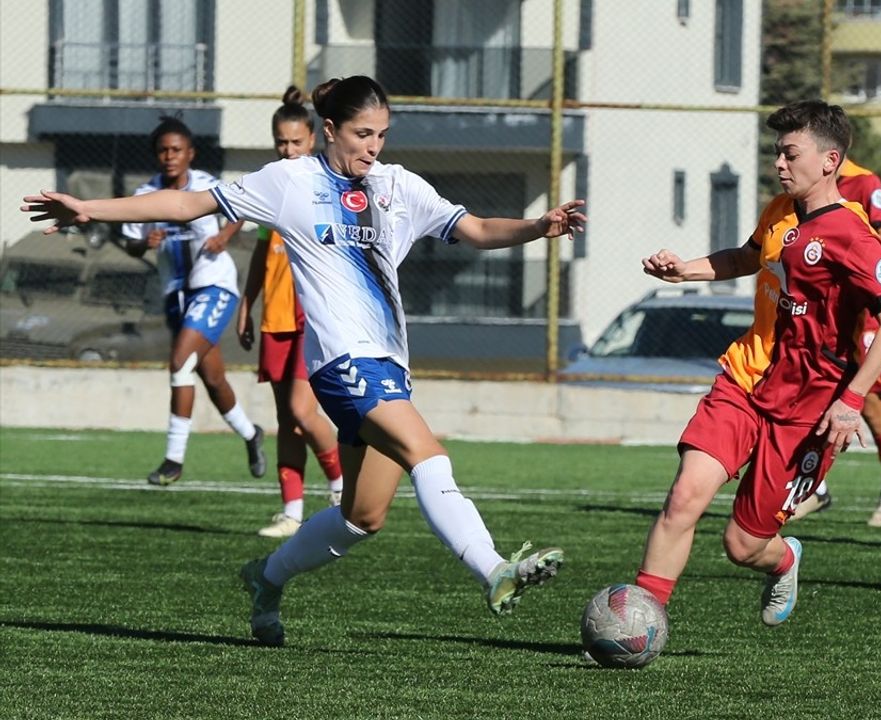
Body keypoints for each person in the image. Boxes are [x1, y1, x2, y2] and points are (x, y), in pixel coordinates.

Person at [23, 75, 583, 644]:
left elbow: (479, 229)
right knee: (426, 452)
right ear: (331, 130)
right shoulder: (290, 181)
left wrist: (540, 226)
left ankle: (264, 579)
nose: (374, 147)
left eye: (382, 135)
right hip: (342, 365)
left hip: (388, 367)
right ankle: (494, 569)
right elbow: (190, 203)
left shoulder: (398, 187)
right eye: (363, 134)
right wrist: (89, 208)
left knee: (363, 519)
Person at [632, 100, 881, 626]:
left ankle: (785, 558)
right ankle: (641, 620)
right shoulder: (779, 210)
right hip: (744, 379)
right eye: (776, 153)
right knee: (684, 495)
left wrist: (851, 401)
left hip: (808, 408)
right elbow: (746, 256)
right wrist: (683, 271)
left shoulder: (853, 235)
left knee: (742, 544)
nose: (779, 164)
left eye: (790, 153)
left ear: (829, 161)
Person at [121, 116, 266, 486]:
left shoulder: (206, 185)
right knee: (212, 377)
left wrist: (224, 236)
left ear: (190, 154)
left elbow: (241, 209)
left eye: (177, 150)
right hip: (176, 294)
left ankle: (173, 460)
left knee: (180, 362)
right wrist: (143, 244)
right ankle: (251, 435)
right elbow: (130, 242)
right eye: (163, 150)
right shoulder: (144, 195)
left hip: (213, 286)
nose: (170, 156)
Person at [236, 87, 345, 538]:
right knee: (285, 419)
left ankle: (341, 483)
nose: (287, 149)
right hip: (276, 318)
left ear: (314, 140)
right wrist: (247, 303)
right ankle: (292, 510)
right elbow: (264, 254)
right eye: (281, 142)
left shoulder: (325, 187)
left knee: (302, 411)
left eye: (295, 142)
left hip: (311, 319)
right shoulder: (273, 190)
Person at [792, 154, 881, 527]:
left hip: (864, 313)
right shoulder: (798, 186)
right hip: (818, 314)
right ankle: (815, 488)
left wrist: (840, 234)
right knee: (811, 398)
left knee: (869, 402)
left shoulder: (863, 182)